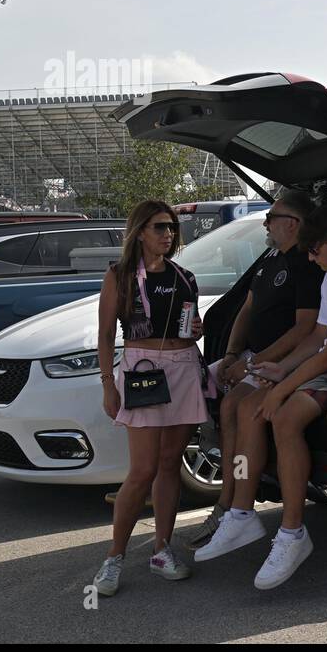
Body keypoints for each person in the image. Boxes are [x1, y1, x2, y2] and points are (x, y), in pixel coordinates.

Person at [194, 205, 327, 589]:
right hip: (319, 364)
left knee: (281, 417)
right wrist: (280, 370)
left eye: (314, 251)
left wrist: (282, 386)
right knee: (248, 408)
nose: (310, 259)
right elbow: (316, 336)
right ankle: (241, 513)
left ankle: (292, 533)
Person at [184, 189, 321, 550]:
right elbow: (247, 307)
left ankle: (235, 505)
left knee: (240, 408)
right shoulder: (271, 258)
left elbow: (305, 329)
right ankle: (229, 501)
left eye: (271, 216)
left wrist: (253, 362)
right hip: (251, 357)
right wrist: (231, 354)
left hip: (277, 363)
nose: (265, 221)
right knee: (212, 399)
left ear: (291, 224)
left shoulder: (306, 264)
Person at [92, 200, 209, 596]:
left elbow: (189, 328)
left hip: (182, 366)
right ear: (140, 230)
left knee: (169, 464)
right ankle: (114, 557)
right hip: (143, 368)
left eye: (172, 228)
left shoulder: (184, 276)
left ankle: (161, 549)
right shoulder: (120, 275)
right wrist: (108, 384)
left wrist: (195, 328)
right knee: (141, 470)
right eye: (160, 227)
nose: (168, 234)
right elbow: (106, 334)